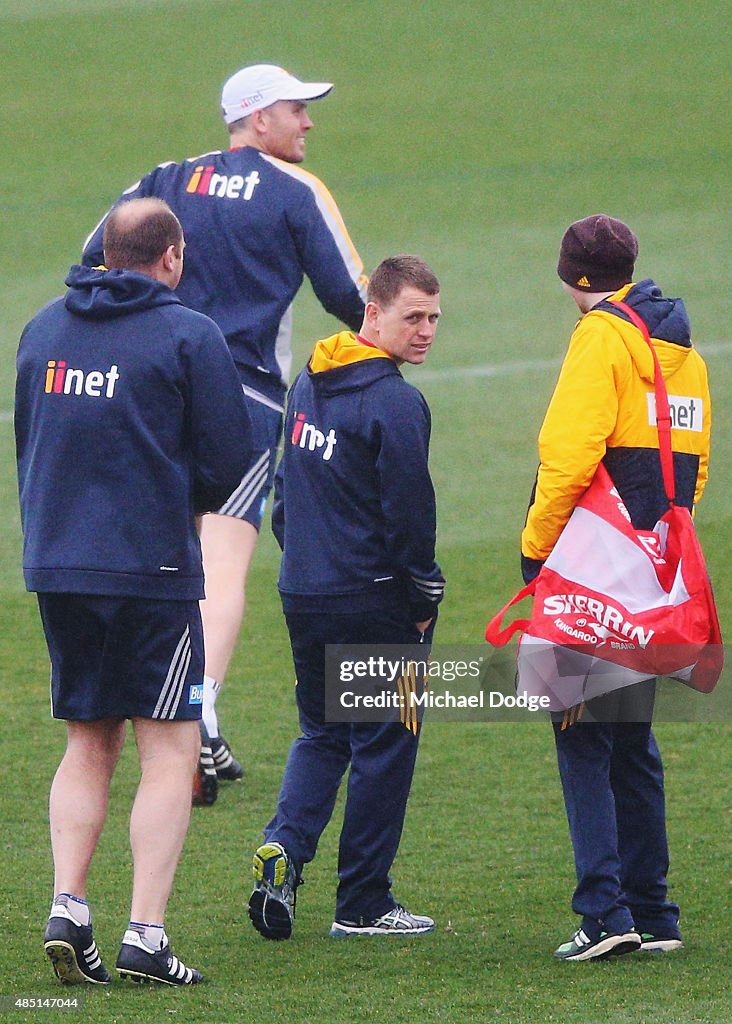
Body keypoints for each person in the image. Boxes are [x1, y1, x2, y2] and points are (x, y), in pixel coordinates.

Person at [82, 63, 368, 803]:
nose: (307, 121)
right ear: (256, 118)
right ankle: (198, 707)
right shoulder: (294, 190)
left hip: (143, 394)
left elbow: (93, 257)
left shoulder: (165, 177)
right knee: (224, 559)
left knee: (157, 552)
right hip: (239, 401)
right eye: (295, 109)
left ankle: (146, 705)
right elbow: (351, 297)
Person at [15, 198, 252, 985]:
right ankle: (145, 933)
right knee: (170, 746)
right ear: (172, 258)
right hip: (151, 571)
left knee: (87, 740)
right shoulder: (191, 334)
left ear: (105, 253)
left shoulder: (43, 328)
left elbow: (28, 441)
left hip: (58, 565)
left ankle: (68, 908)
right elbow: (228, 463)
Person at [520, 214, 711, 960]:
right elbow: (694, 462)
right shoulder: (681, 347)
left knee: (578, 733)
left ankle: (604, 914)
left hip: (591, 563)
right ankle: (654, 911)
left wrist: (536, 549)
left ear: (570, 277)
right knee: (631, 739)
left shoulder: (600, 336)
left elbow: (566, 455)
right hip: (656, 562)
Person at [247, 255, 445, 940]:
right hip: (374, 598)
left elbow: (283, 492)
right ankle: (363, 903)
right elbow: (409, 519)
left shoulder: (309, 378)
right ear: (372, 311)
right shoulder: (396, 402)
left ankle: (283, 850)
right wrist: (423, 591)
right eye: (411, 317)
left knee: (321, 734)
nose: (424, 332)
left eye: (432, 319)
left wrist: (303, 557)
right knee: (384, 745)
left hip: (304, 589)